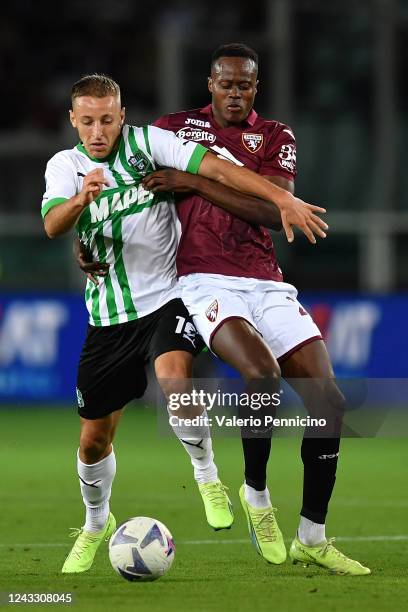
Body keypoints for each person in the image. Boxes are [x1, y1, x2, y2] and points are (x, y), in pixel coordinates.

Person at [42, 73, 326, 574]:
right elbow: (51, 222)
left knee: (177, 380)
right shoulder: (65, 166)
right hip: (108, 316)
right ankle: (95, 522)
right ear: (73, 120)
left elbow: (216, 168)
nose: (98, 130)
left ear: (122, 114)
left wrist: (281, 198)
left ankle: (208, 477)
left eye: (107, 118)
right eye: (87, 121)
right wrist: (80, 204)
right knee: (94, 440)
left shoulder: (151, 143)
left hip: (170, 297)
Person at [139, 43, 370, 576]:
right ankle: (257, 495)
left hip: (266, 282)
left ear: (256, 88)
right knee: (260, 373)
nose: (236, 92)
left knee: (329, 402)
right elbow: (136, 188)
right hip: (201, 279)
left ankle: (313, 535)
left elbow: (272, 209)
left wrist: (196, 181)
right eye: (227, 83)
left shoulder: (274, 137)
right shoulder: (173, 130)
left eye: (245, 84)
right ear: (211, 83)